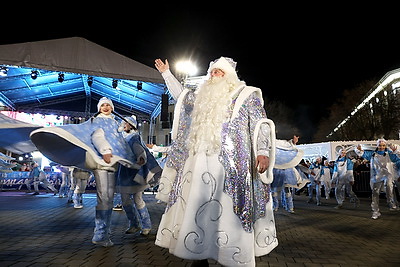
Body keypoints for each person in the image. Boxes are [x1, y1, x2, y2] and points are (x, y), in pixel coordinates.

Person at [154, 57, 278, 267]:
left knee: (228, 209)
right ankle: (198, 253)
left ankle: (231, 255)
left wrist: (263, 151)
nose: (214, 75)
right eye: (212, 72)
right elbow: (182, 97)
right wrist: (167, 74)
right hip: (199, 164)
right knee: (198, 205)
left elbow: (260, 124)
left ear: (230, 75)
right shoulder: (201, 97)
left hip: (232, 166)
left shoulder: (245, 95)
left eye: (219, 72)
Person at [30, 96, 140, 247]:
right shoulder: (98, 121)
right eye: (103, 106)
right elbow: (97, 136)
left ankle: (123, 227)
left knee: (114, 197)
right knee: (105, 198)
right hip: (103, 162)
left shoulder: (115, 123)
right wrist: (105, 150)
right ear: (99, 108)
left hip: (116, 162)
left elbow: (122, 139)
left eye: (108, 105)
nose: (106, 107)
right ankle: (101, 234)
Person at [116, 115, 162, 235]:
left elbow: (140, 150)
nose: (124, 125)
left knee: (137, 199)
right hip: (125, 171)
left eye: (126, 123)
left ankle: (146, 226)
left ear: (131, 125)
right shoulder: (122, 138)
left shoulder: (134, 137)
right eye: (123, 123)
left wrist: (141, 158)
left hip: (135, 172)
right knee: (125, 200)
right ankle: (134, 224)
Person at [354, 139, 400, 219]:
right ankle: (375, 211)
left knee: (389, 186)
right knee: (375, 193)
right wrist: (359, 149)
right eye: (380, 145)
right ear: (377, 146)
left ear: (385, 146)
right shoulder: (372, 154)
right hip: (377, 176)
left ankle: (391, 202)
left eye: (383, 145)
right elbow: (362, 153)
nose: (381, 147)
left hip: (387, 174)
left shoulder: (389, 153)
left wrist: (395, 150)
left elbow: (397, 158)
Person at [271, 135, 304, 213]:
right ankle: (275, 207)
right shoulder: (270, 142)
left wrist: (293, 142)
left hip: (286, 171)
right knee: (274, 192)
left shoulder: (279, 142)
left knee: (287, 191)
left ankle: (290, 207)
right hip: (276, 170)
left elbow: (287, 144)